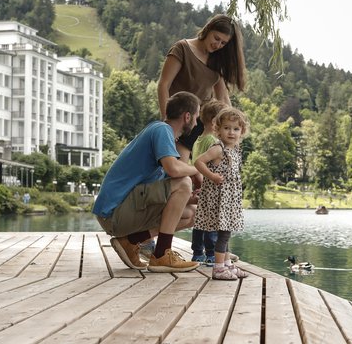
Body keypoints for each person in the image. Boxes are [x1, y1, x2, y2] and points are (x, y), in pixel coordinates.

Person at [92, 92, 203, 273]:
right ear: (187, 116)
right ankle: (161, 255)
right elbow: (173, 169)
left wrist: (188, 199)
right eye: (196, 117)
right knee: (183, 182)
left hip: (125, 210)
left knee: (192, 213)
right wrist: (199, 168)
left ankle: (130, 241)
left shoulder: (162, 134)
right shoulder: (161, 130)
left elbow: (163, 187)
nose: (197, 123)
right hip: (114, 212)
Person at [157, 14, 246, 163]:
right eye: (216, 38)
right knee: (178, 166)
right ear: (208, 29)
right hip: (178, 117)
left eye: (223, 43)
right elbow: (163, 85)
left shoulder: (216, 60)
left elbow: (222, 98)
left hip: (201, 122)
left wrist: (235, 128)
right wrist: (167, 122)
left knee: (203, 169)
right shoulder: (182, 48)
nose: (218, 45)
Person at [194, 107, 250, 280]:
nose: (231, 132)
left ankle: (227, 265)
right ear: (218, 129)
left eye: (235, 129)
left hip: (229, 199)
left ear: (242, 131)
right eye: (226, 128)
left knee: (227, 232)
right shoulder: (218, 149)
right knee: (223, 233)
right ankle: (218, 268)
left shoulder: (235, 149)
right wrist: (211, 176)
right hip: (218, 198)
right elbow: (198, 162)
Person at [190, 100, 225, 264]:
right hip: (210, 185)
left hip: (200, 184)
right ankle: (211, 253)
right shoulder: (212, 141)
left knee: (200, 220)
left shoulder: (198, 139)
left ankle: (198, 252)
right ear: (214, 122)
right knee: (212, 221)